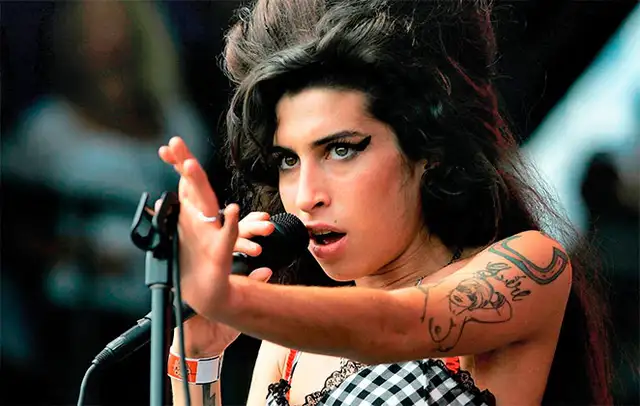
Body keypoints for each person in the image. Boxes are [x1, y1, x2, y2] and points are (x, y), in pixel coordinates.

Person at [158, 0, 613, 405]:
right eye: (288, 160)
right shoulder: (286, 351)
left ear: (427, 149)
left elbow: (397, 327)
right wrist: (198, 353)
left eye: (341, 150)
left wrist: (232, 298)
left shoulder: (530, 267)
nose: (306, 196)